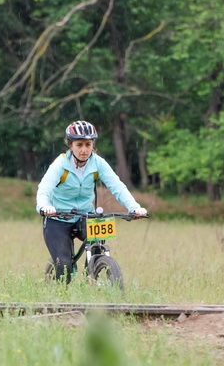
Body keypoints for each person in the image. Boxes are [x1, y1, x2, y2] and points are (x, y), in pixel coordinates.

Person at [36, 120, 147, 283]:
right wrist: (44, 206)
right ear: (70, 145)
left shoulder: (98, 163)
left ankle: (92, 275)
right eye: (79, 144)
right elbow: (44, 189)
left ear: (93, 145)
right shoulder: (60, 164)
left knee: (97, 244)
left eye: (88, 144)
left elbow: (117, 187)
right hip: (58, 218)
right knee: (64, 265)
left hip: (85, 215)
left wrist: (134, 207)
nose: (84, 150)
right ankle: (60, 293)